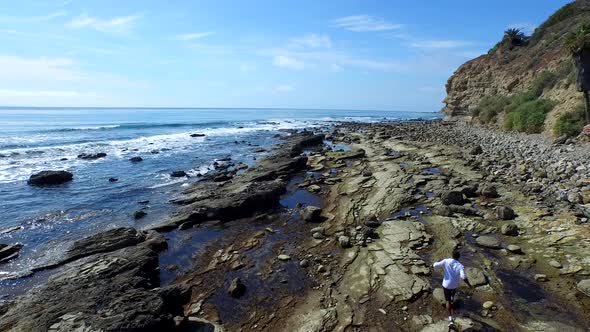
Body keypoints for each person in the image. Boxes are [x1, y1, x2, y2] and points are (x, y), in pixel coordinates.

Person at [432, 250, 472, 326]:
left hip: (446, 285)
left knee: (447, 301)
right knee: (453, 292)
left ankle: (450, 319)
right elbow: (463, 277)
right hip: (454, 285)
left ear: (452, 255)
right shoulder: (460, 266)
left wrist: (432, 265)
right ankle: (452, 298)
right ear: (459, 257)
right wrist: (469, 285)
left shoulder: (446, 261)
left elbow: (436, 265)